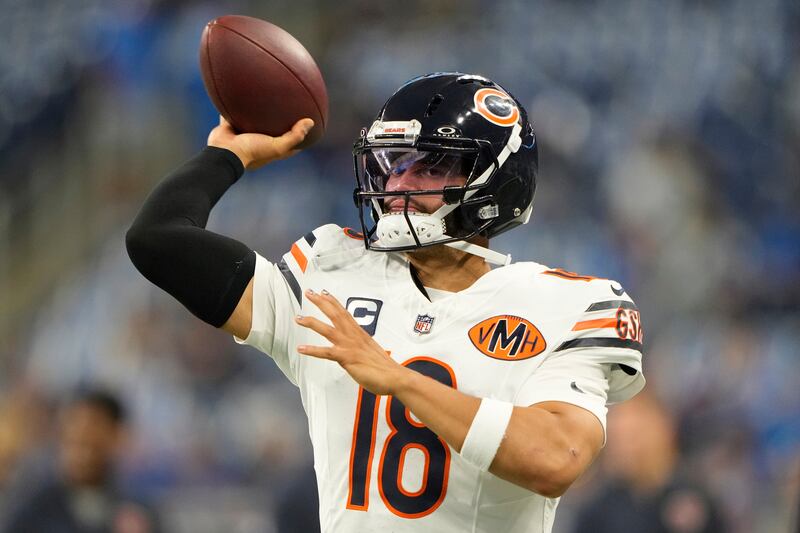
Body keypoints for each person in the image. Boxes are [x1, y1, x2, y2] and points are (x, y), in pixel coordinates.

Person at [126, 72, 645, 532]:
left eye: (431, 166)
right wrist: (227, 155)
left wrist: (398, 378)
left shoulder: (570, 304)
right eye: (394, 164)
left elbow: (557, 459)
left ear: (498, 182)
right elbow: (158, 239)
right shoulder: (330, 269)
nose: (398, 183)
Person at [1, 389, 159, 533]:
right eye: (74, 442)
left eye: (92, 444)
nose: (80, 455)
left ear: (117, 436)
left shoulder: (135, 510)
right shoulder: (32, 505)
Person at [571, 391, 725, 533]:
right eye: (617, 438)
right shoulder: (598, 511)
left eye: (633, 436)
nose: (624, 449)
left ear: (664, 429)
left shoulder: (694, 502)